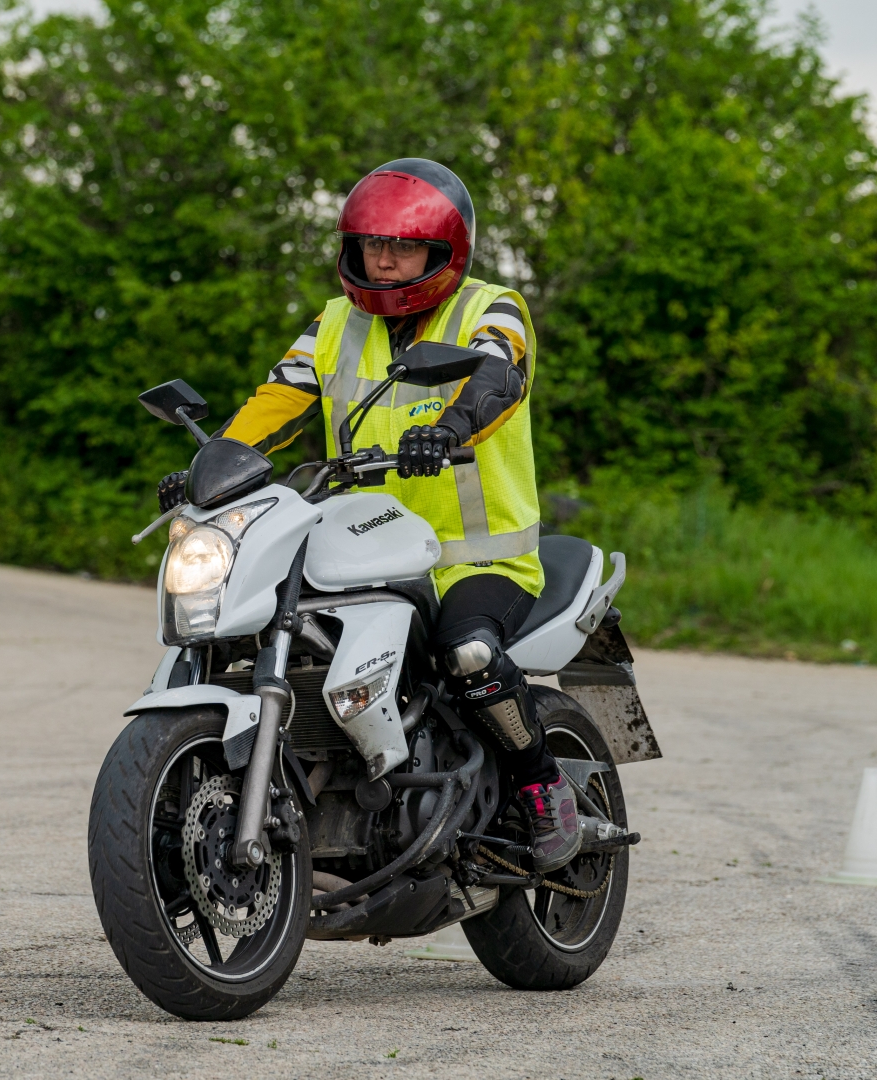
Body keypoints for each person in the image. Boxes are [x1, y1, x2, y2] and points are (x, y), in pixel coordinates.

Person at [158, 158, 579, 872]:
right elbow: (278, 399)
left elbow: (498, 375)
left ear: (445, 252)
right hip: (361, 551)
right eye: (371, 244)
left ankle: (542, 786)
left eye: (404, 247)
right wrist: (216, 462)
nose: (384, 260)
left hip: (474, 559)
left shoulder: (492, 308)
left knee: (468, 653)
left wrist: (447, 431)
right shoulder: (334, 323)